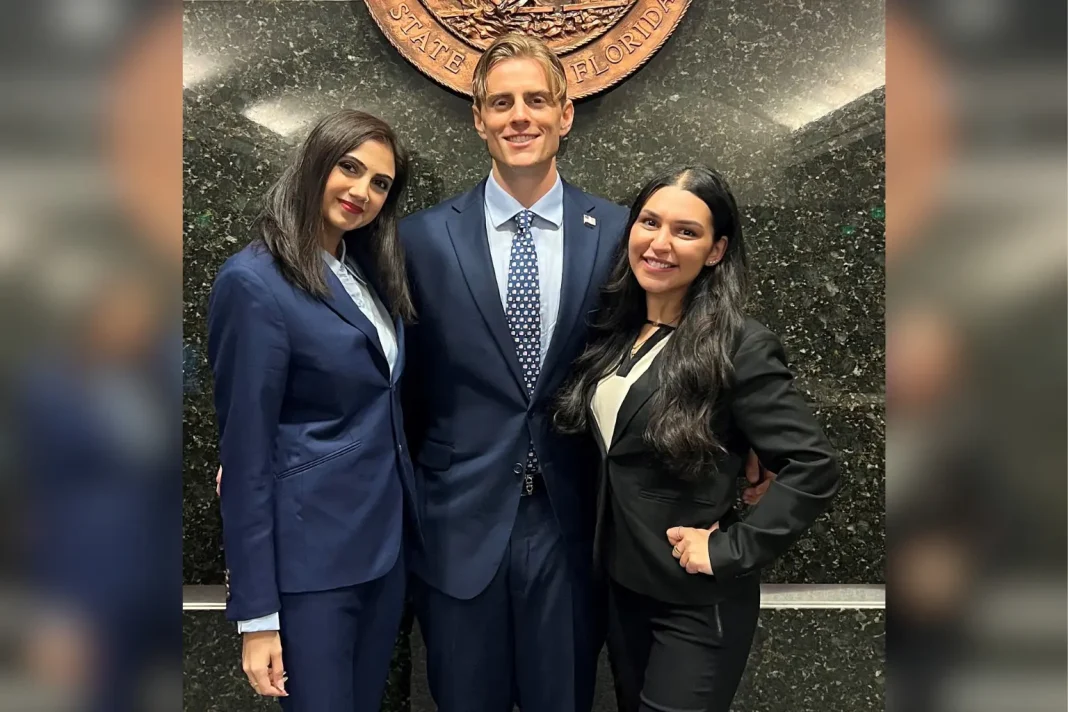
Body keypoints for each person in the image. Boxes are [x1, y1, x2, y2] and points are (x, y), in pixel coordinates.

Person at [397, 33, 629, 712]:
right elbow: (396, 382)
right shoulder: (421, 240)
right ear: (478, 119)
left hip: (572, 523)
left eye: (535, 99)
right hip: (457, 524)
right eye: (501, 102)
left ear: (565, 113)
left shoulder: (617, 234)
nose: (519, 116)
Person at [553, 165, 841, 712]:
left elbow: (814, 465)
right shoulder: (614, 333)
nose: (660, 243)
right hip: (621, 591)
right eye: (649, 222)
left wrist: (733, 548)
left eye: (686, 231)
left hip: (694, 602)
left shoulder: (740, 344)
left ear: (715, 251)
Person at [206, 109, 417, 711]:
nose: (363, 192)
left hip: (380, 552)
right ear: (313, 164)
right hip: (309, 566)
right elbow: (243, 458)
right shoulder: (254, 282)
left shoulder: (363, 272)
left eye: (381, 183)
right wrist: (257, 615)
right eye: (349, 168)